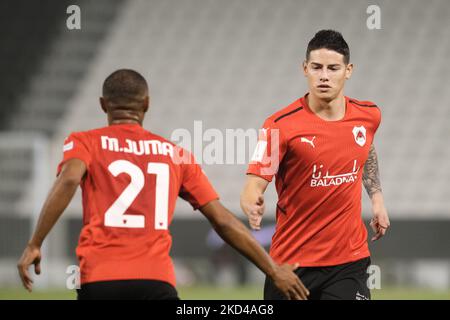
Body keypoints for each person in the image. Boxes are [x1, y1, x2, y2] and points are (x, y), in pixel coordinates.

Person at [17, 69, 309, 300]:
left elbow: (68, 179)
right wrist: (273, 270)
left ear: (103, 105)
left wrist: (34, 243)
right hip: (155, 280)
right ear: (146, 104)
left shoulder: (85, 142)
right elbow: (223, 221)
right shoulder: (176, 154)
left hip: (100, 278)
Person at [241, 30, 390, 300]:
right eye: (316, 67)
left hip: (349, 261)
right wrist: (252, 204)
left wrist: (377, 199)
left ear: (348, 70)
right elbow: (253, 184)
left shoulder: (368, 115)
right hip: (292, 265)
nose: (324, 75)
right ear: (305, 69)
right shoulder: (280, 125)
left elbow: (365, 145)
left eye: (333, 68)